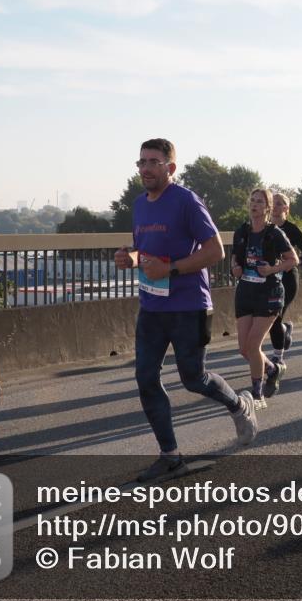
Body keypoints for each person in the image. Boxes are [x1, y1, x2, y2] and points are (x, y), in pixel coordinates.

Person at [114, 138, 257, 483]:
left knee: (194, 379)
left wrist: (172, 269)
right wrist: (129, 257)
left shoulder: (186, 201)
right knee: (146, 378)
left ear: (171, 167)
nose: (146, 168)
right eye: (141, 162)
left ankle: (238, 404)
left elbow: (215, 251)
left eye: (154, 162)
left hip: (189, 305)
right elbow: (145, 252)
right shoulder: (139, 204)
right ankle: (171, 456)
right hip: (151, 306)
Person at [231, 189, 298, 409]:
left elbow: (293, 260)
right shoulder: (241, 231)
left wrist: (272, 269)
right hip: (245, 292)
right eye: (252, 200)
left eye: (260, 202)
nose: (254, 205)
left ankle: (257, 395)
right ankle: (273, 369)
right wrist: (235, 267)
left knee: (253, 345)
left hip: (269, 294)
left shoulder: (275, 233)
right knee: (244, 349)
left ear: (268, 207)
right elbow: (234, 258)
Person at [267, 192, 302, 386]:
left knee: (275, 317)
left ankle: (278, 357)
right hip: (269, 278)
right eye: (273, 203)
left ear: (286, 208)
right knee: (272, 318)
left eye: (279, 204)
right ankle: (285, 330)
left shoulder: (292, 229)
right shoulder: (264, 227)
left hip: (288, 279)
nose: (275, 206)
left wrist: (293, 264)